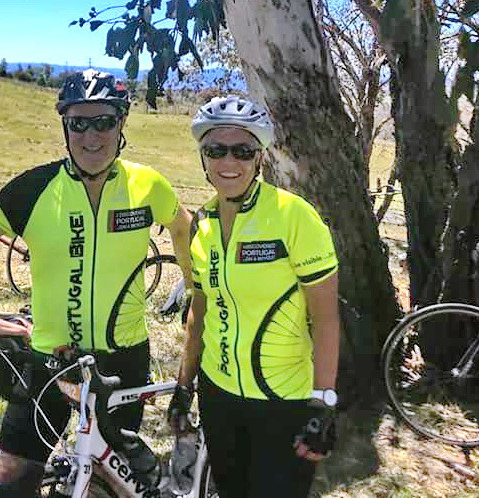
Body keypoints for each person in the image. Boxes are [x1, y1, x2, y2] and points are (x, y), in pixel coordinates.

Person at [0, 69, 193, 489]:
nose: (91, 136)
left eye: (103, 121)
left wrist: (194, 284)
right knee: (14, 478)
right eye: (78, 123)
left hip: (121, 360)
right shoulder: (35, 187)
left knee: (110, 482)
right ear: (64, 126)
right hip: (48, 358)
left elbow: (183, 227)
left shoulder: (146, 184)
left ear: (121, 124)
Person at [167, 95, 343, 496]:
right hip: (219, 398)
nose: (229, 163)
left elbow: (327, 319)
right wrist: (184, 386)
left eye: (242, 151)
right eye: (216, 150)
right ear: (203, 157)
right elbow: (200, 310)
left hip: (283, 402)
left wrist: (324, 403)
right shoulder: (202, 225)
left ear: (259, 157)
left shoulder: (294, 216)